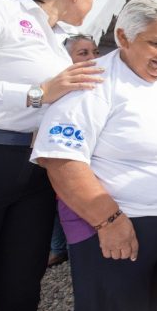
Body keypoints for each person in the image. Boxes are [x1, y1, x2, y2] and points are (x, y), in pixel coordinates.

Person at [30, 0, 157, 311]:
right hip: (121, 228)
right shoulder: (93, 80)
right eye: (156, 43)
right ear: (123, 37)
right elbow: (61, 159)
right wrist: (108, 221)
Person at [0, 0, 101, 311]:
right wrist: (37, 94)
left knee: (21, 287)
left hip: (37, 169)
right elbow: (42, 93)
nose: (92, 6)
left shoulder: (55, 39)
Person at [46, 33, 103, 268]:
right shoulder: (54, 93)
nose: (92, 58)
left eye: (95, 52)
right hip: (74, 186)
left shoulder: (105, 89)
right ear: (65, 58)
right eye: (83, 53)